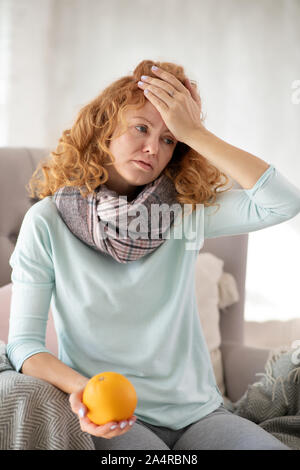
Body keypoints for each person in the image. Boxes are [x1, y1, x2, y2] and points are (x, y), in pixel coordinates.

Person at [6, 60, 300, 450]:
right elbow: (24, 345)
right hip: (115, 417)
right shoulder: (47, 222)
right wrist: (82, 390)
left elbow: (282, 203)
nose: (152, 148)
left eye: (168, 139)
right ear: (105, 129)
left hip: (201, 415)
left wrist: (195, 132)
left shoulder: (183, 212)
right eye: (141, 128)